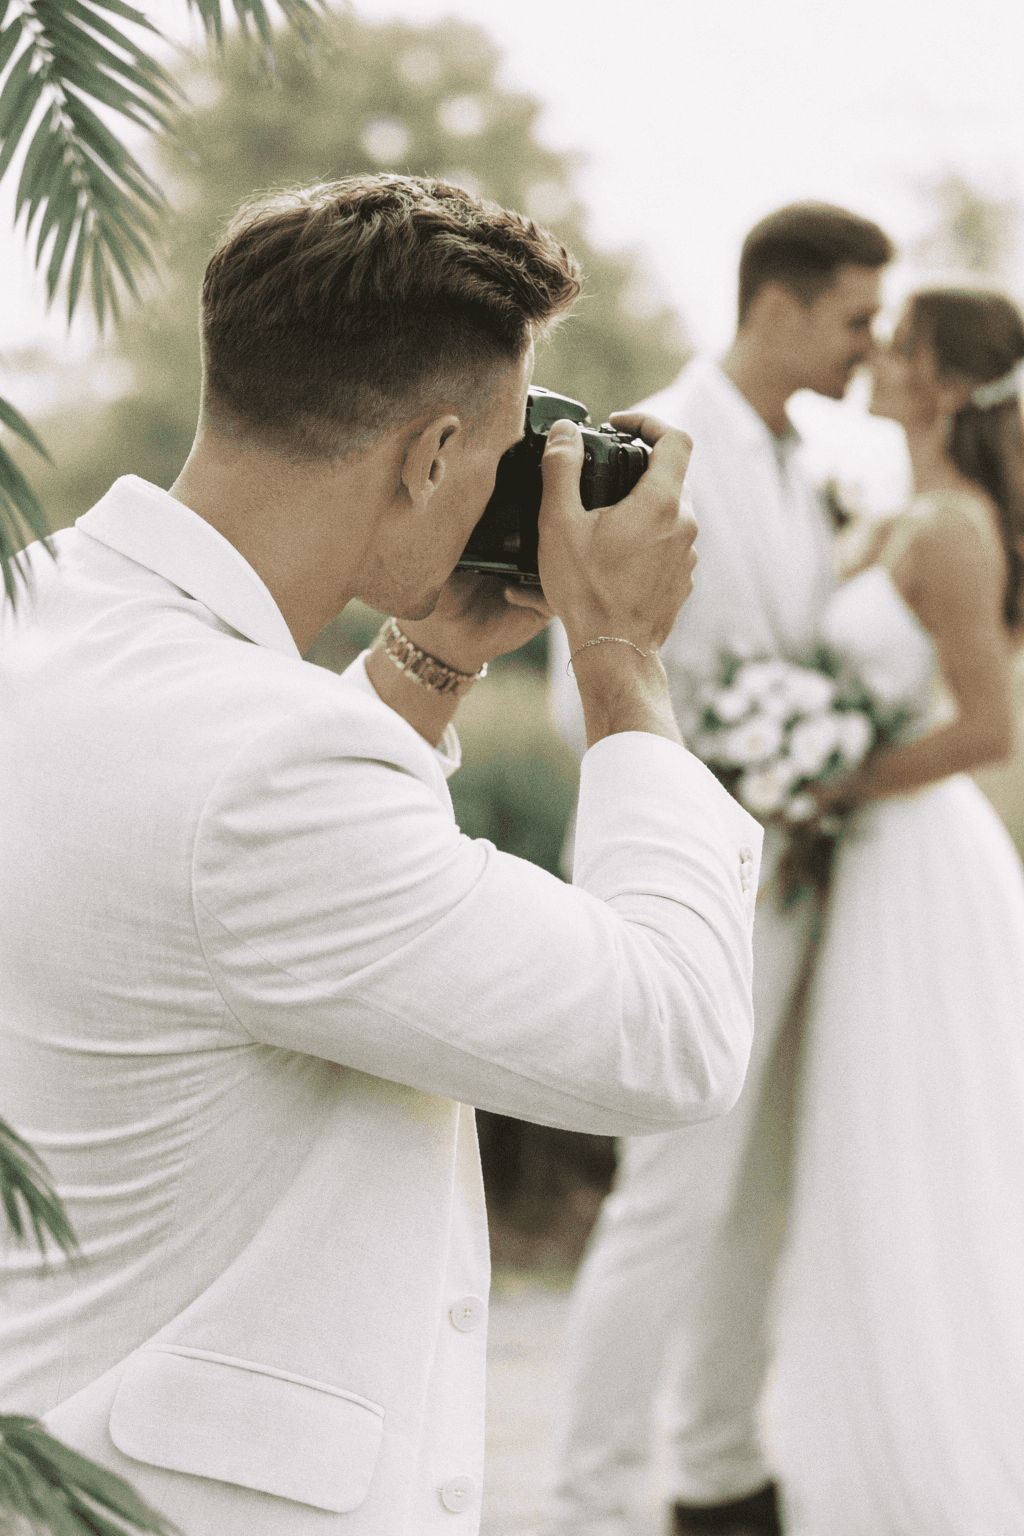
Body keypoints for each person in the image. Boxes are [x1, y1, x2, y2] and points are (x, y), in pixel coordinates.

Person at [0, 175, 764, 1536]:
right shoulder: (269, 768)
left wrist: (436, 652)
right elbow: (671, 1036)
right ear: (431, 455)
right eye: (489, 455)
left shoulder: (49, 606)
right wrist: (621, 655)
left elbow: (220, 881)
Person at [546, 203, 894, 1536]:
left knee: (757, 1200)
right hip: (687, 879)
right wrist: (730, 793)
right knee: (665, 1207)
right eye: (857, 318)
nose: (870, 346)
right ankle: (581, 1507)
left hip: (800, 880)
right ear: (781, 306)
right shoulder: (649, 442)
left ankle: (714, 1474)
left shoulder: (808, 462)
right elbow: (597, 668)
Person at [763, 287, 1024, 1533]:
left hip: (923, 867)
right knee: (858, 1149)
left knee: (926, 1146)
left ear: (948, 384)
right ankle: (849, 1441)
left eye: (900, 341)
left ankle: (944, 1456)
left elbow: (987, 727)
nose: (876, 354)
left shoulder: (957, 531)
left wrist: (827, 781)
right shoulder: (879, 514)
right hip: (864, 865)